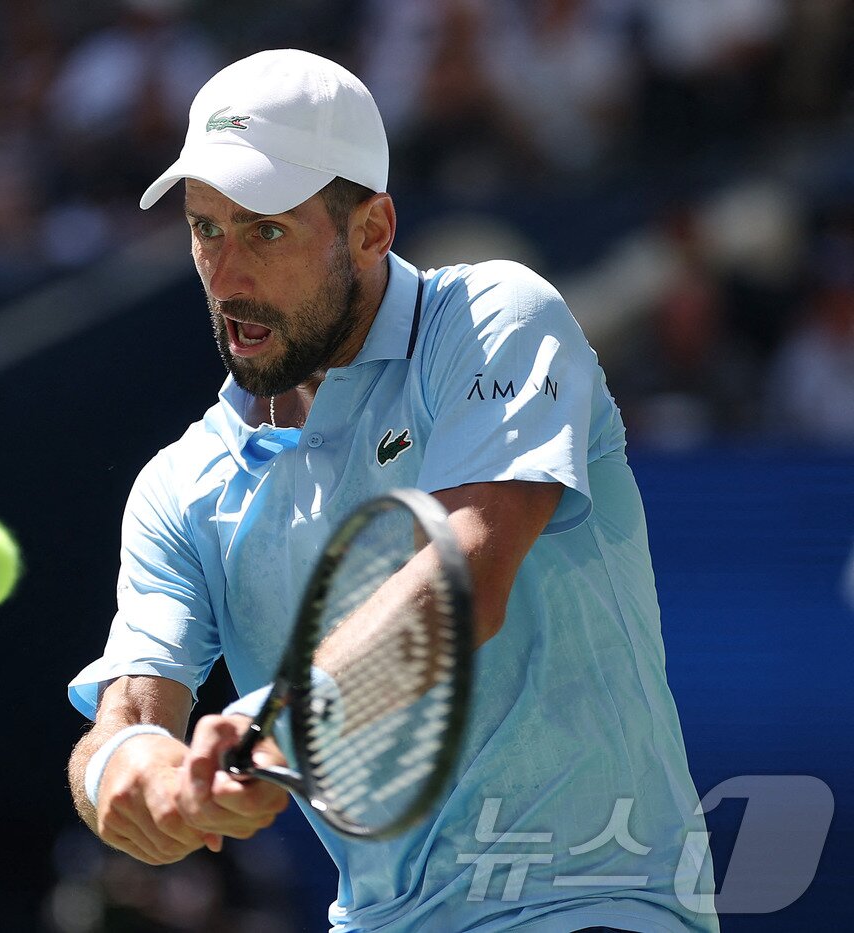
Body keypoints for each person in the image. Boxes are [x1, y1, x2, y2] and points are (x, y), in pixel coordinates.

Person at [65, 49, 717, 932]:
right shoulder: (181, 488)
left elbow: (458, 585)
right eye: (205, 228)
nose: (226, 276)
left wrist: (264, 732)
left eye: (266, 230)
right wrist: (136, 779)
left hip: (594, 904)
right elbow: (124, 719)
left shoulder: (498, 319)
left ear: (372, 229)